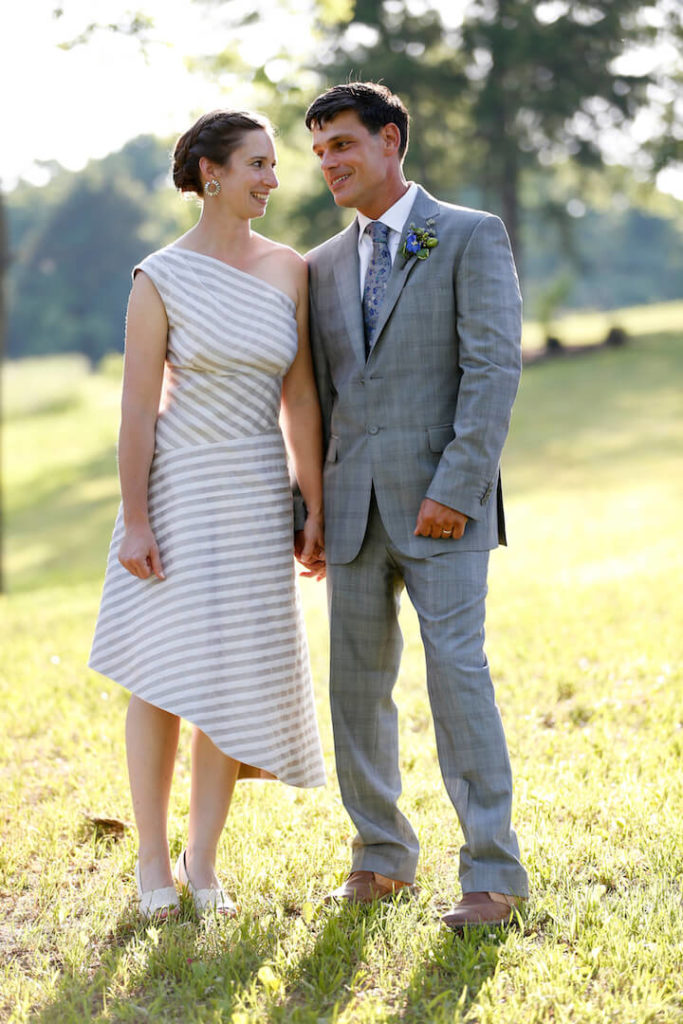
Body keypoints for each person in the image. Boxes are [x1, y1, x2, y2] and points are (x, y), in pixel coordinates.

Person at [89, 109, 326, 922]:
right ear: (211, 173)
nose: (272, 177)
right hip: (177, 492)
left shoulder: (291, 268)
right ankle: (151, 861)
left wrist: (314, 504)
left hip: (258, 495)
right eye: (258, 163)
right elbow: (137, 409)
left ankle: (203, 862)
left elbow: (298, 394)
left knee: (230, 677)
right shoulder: (159, 275)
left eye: (273, 165)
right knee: (160, 676)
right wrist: (136, 519)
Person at [304, 82, 528, 930]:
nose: (327, 163)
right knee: (355, 692)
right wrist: (311, 510)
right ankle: (380, 858)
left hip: (444, 508)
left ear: (389, 140)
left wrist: (455, 490)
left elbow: (491, 370)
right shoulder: (319, 265)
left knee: (456, 678)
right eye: (318, 150)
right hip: (351, 513)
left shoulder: (468, 234)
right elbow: (320, 398)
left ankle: (493, 876)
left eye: (342, 145)